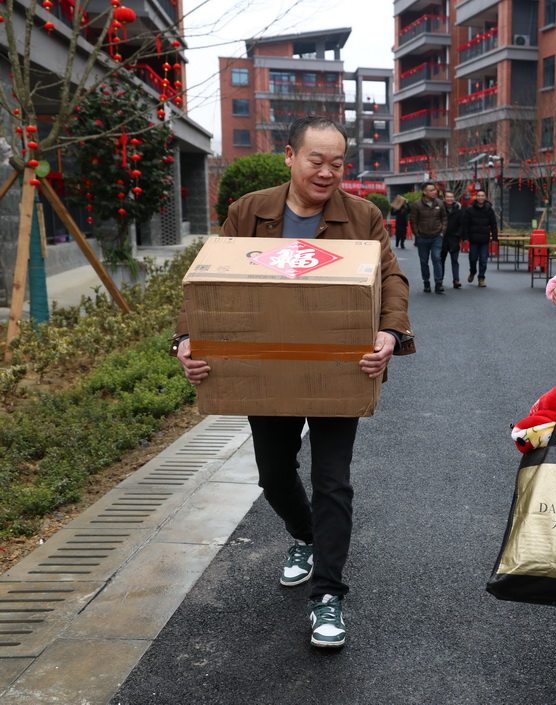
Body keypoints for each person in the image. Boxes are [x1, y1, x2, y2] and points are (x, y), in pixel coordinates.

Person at [171, 116, 415, 649]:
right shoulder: (249, 211)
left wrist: (390, 333)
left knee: (333, 480)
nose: (327, 172)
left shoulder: (363, 215)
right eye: (316, 160)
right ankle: (304, 536)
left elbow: (392, 277)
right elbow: (211, 279)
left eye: (337, 163)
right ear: (289, 156)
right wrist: (188, 339)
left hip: (338, 366)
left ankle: (328, 596)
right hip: (268, 368)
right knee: (273, 473)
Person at [409, 181, 447, 294]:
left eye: (434, 190)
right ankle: (426, 282)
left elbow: (444, 218)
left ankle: (438, 283)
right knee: (424, 261)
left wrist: (442, 232)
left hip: (437, 236)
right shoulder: (417, 205)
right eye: (431, 190)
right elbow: (413, 221)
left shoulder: (439, 203)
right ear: (424, 192)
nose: (434, 192)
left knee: (436, 258)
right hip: (423, 237)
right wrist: (417, 234)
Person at [461, 189, 498, 287]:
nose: (481, 197)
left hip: (484, 240)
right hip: (473, 239)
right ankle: (472, 272)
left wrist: (494, 238)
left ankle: (481, 278)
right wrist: (465, 237)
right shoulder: (469, 210)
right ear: (476, 197)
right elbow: (465, 225)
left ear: (485, 197)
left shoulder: (489, 210)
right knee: (472, 259)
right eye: (479, 196)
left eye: (482, 196)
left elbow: (493, 225)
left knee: (483, 260)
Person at [440, 190, 463, 289]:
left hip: (454, 238)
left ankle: (456, 280)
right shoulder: (440, 209)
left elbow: (462, 223)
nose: (450, 199)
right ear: (444, 198)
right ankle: (439, 280)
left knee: (455, 260)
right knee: (441, 260)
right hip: (442, 238)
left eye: (451, 197)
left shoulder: (458, 209)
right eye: (448, 197)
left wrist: (459, 235)